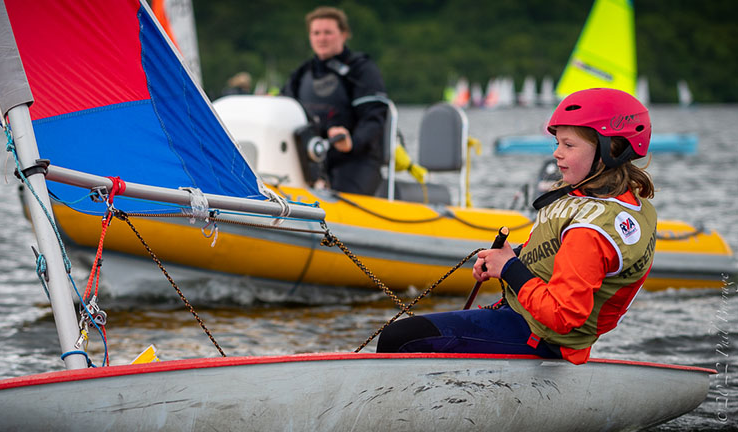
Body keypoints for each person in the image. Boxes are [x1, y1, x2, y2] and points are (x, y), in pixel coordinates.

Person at [377, 88, 657, 365]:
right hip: (524, 318)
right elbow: (559, 254)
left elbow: (563, 316)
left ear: (611, 150)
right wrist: (511, 256)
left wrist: (510, 268)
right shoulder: (596, 197)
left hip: (541, 338)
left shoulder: (592, 231)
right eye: (557, 143)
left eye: (568, 145)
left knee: (399, 337)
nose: (557, 154)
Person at [281, 6, 387, 195]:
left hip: (356, 160)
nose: (321, 38)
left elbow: (374, 118)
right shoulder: (302, 73)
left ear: (344, 34)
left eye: (328, 32)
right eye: (316, 33)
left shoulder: (362, 70)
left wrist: (352, 141)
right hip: (311, 160)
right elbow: (283, 110)